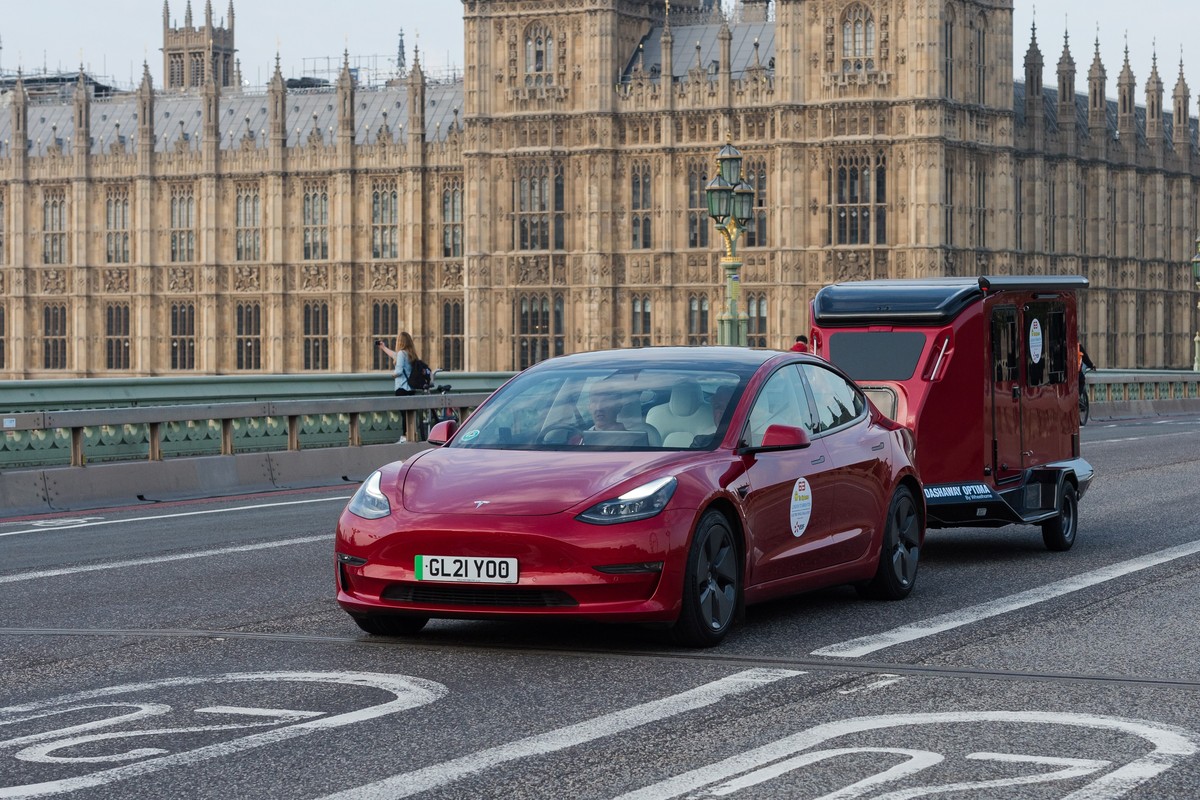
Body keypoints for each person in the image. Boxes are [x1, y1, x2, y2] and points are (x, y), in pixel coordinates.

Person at [377, 332, 420, 442]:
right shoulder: (410, 354)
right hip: (411, 389)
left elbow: (399, 371)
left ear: (400, 342)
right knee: (409, 414)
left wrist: (393, 375)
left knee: (404, 415)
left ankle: (405, 437)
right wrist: (383, 348)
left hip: (402, 388)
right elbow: (394, 355)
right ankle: (412, 436)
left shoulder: (401, 353)